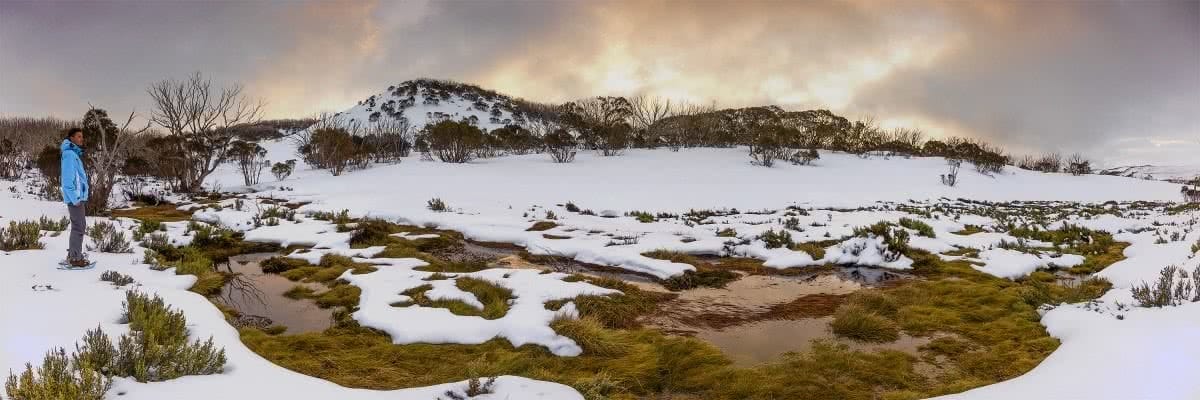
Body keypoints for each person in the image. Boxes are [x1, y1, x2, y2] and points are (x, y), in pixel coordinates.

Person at [61, 127, 90, 267]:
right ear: (71, 138)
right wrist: (75, 198)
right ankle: (74, 258)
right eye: (78, 136)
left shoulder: (73, 154)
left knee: (79, 226)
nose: (81, 139)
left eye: (82, 136)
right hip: (75, 198)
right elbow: (67, 180)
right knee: (79, 226)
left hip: (78, 197)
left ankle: (73, 254)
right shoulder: (69, 155)